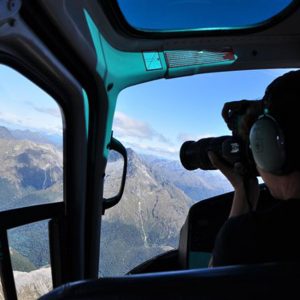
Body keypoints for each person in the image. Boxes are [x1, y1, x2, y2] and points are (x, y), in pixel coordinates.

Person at [208, 70, 300, 267]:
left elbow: (210, 284)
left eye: (254, 144)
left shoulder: (247, 240)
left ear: (267, 147)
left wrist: (243, 192)